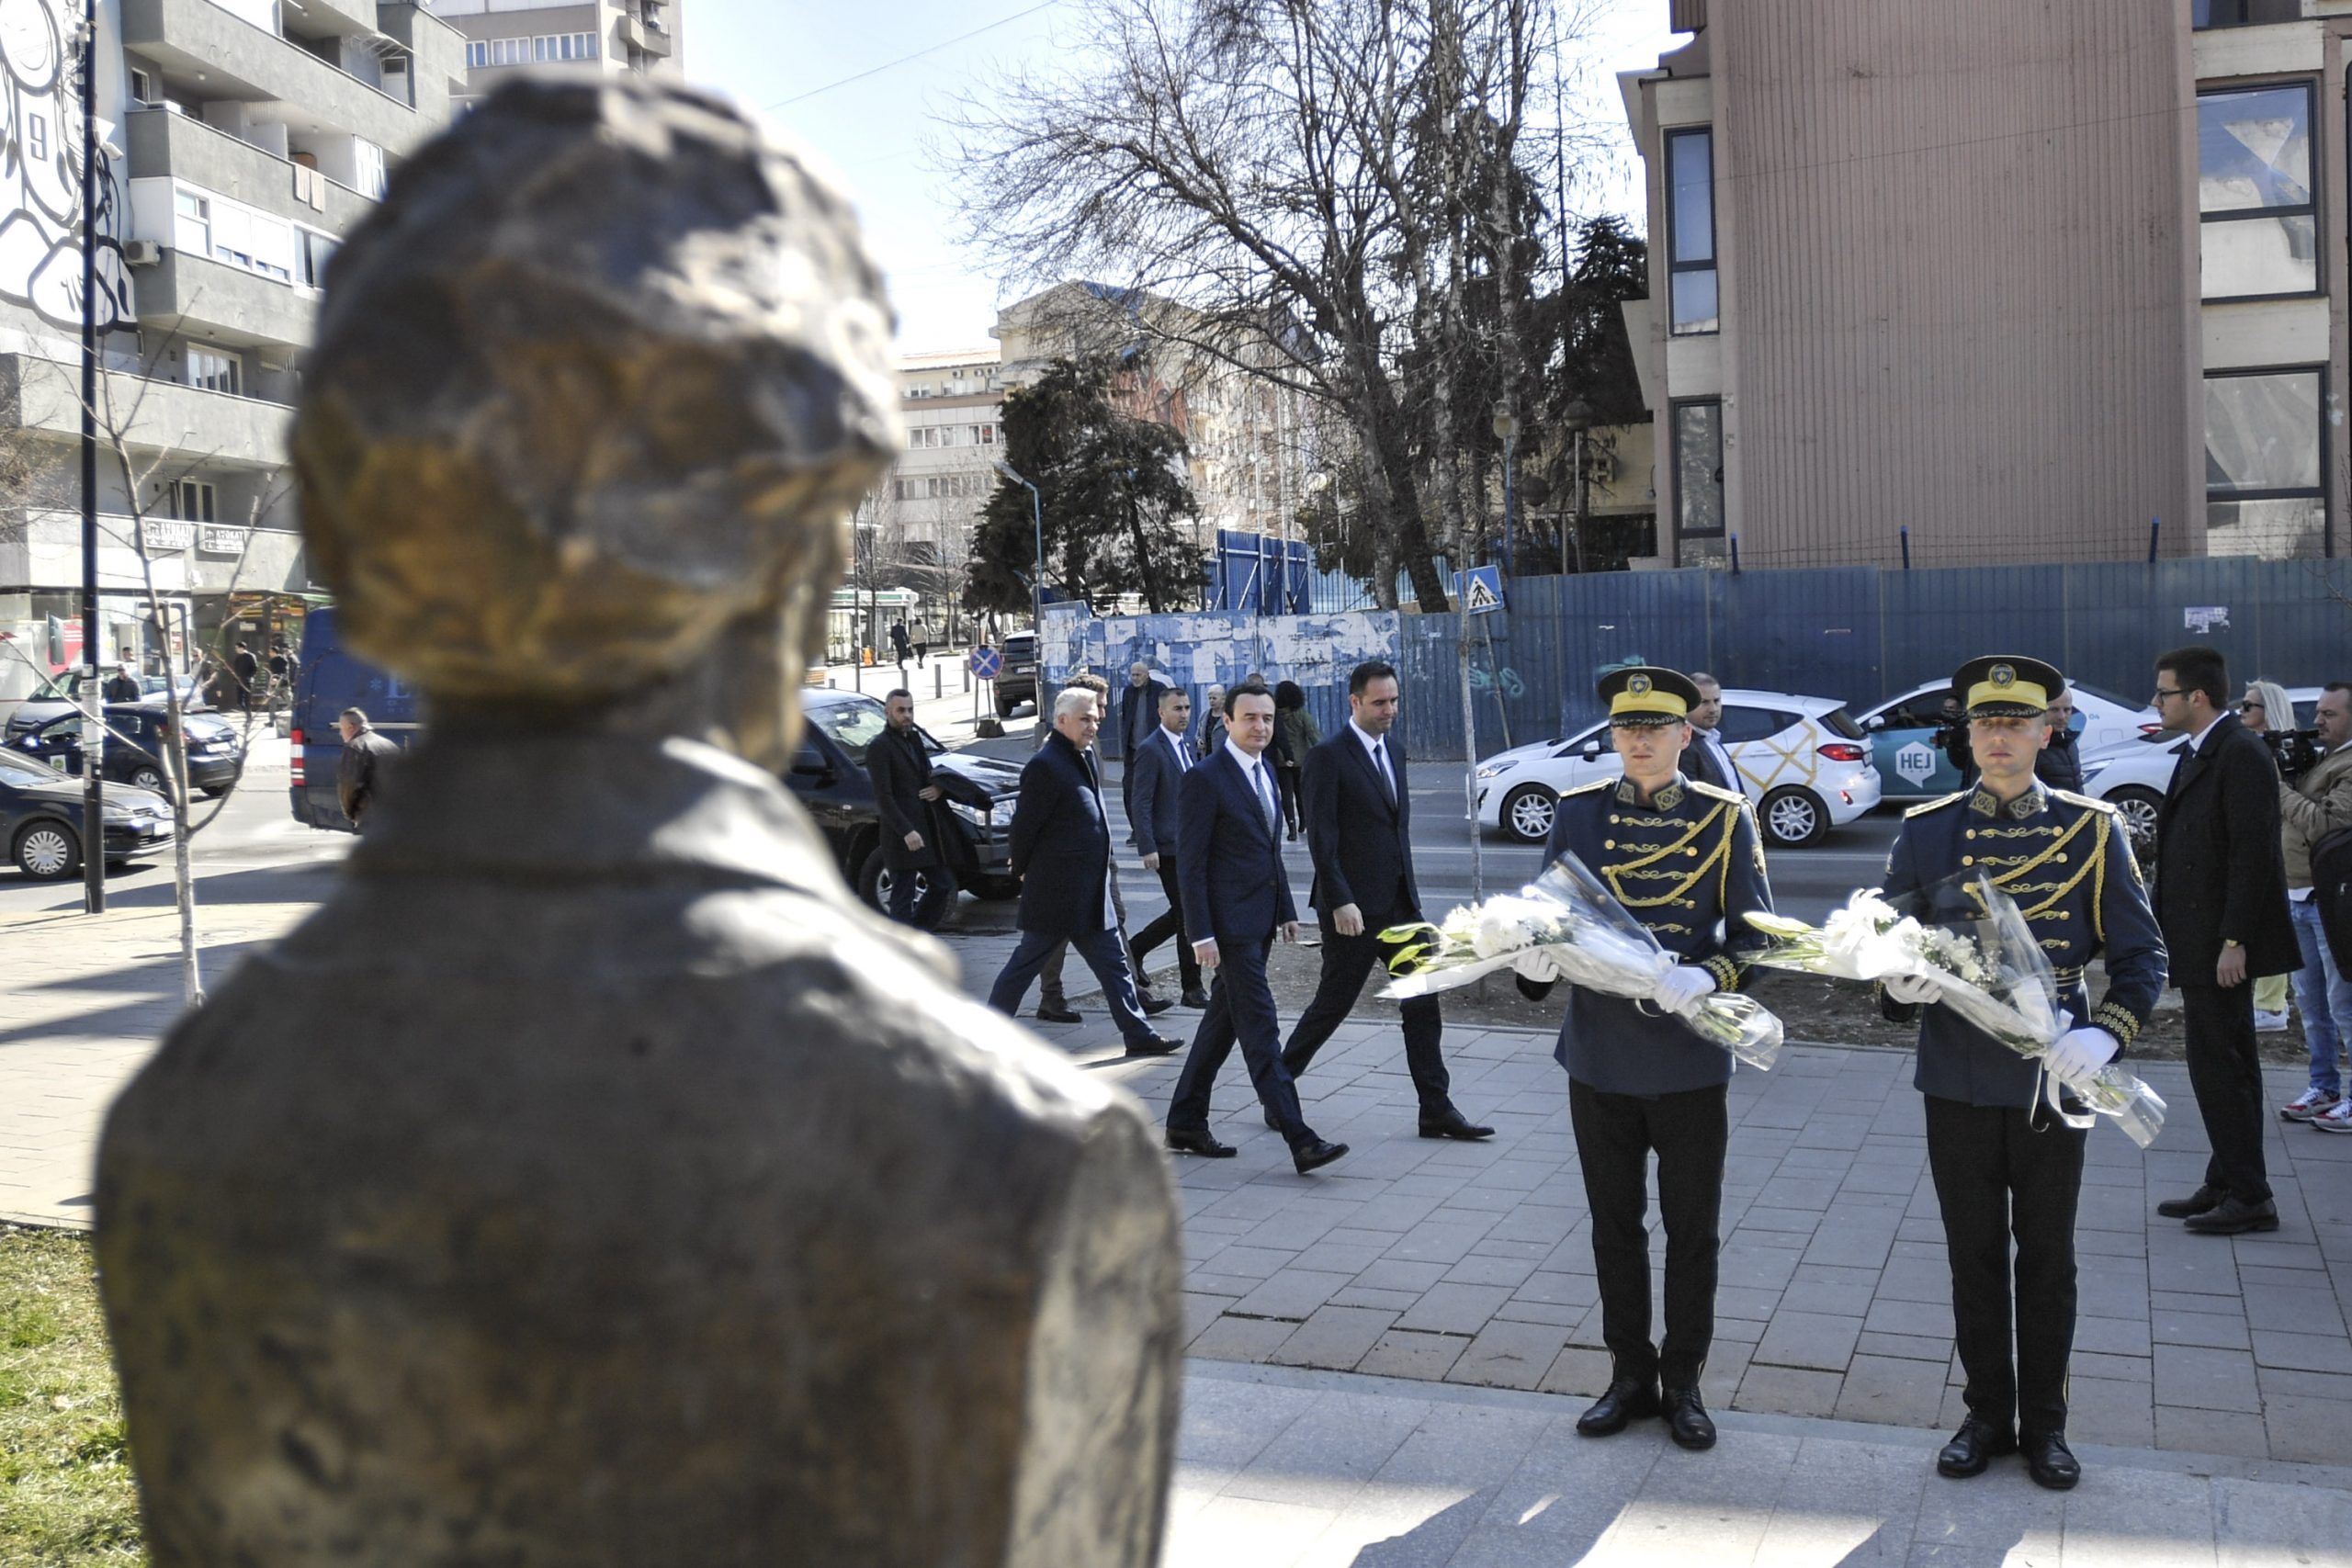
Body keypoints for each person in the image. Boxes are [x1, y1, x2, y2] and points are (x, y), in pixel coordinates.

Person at [1878, 656, 2165, 1494]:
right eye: (1984, 723)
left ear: (2049, 730)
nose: (1999, 737)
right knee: (1972, 1254)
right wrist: (1895, 984)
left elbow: (2143, 956)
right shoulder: (1927, 827)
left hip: (2053, 1076)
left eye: (2016, 722)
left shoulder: (2091, 825)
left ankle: (2046, 1424)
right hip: (1959, 1074)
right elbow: (1889, 938)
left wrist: (2108, 1036)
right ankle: (1983, 1414)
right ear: (1967, 735)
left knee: (2047, 1257)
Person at [1511, 666, 1770, 1453]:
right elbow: (1546, 915)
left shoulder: (1726, 817)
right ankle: (1629, 1373)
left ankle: (1684, 1380)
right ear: (1615, 737)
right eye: (1629, 728)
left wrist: (1711, 973)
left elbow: (1758, 935)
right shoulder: (1578, 814)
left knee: (1693, 1230)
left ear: (1685, 735)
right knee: (1613, 1226)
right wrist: (1532, 962)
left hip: (1689, 1059)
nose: (1642, 739)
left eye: (1658, 726)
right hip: (1600, 1057)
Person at [1281, 660, 1492, 1141]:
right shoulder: (1327, 757)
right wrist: (1340, 900)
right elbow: (1323, 839)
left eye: (1393, 700)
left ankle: (1436, 1109)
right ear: (1354, 702)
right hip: (1352, 909)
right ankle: (1278, 1088)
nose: (1389, 710)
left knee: (1422, 1004)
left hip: (1401, 902)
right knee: (1331, 1006)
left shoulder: (1394, 751)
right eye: (1379, 702)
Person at [1164, 682, 1348, 1176]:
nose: (1260, 727)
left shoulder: (1265, 769)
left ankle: (1184, 1120)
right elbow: (1191, 866)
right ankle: (1300, 1138)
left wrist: (1286, 909)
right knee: (1261, 1029)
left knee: (1221, 1026)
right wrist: (1199, 934)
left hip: (1260, 921)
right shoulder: (1205, 778)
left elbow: (1269, 851)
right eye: (1249, 718)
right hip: (1228, 932)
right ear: (1227, 721)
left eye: (1267, 719)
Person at [2151, 645, 2300, 1235]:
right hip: (2200, 938)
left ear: (2197, 697)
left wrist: (2235, 938)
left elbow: (2252, 854)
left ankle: (2249, 1194)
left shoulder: (2240, 752)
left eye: (2164, 692)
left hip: (2220, 944)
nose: (2156, 702)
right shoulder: (2204, 748)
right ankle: (2227, 1180)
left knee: (2220, 1066)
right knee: (2226, 1064)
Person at [986, 688, 1182, 1057]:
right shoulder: (1045, 765)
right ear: (1062, 721)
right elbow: (1023, 828)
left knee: (1116, 969)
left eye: (1095, 718)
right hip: (1058, 894)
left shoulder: (1083, 756)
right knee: (1022, 967)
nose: (1094, 725)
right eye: (1085, 719)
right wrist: (1022, 870)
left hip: (1092, 892)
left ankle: (1138, 1036)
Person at [1035, 671, 1169, 1022]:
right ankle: (1051, 997)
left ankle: (1134, 995)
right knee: (1055, 934)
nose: (1104, 716)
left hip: (1098, 854)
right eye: (1099, 707)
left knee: (1115, 921)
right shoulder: (1056, 749)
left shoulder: (1089, 743)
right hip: (1069, 860)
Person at [2277, 682, 2352, 1130]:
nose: (2318, 720)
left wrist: (2279, 788)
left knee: (2344, 1004)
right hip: (2298, 896)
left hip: (2332, 902)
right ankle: (2324, 1086)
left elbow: (2326, 824)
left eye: (2330, 714)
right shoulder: (2324, 758)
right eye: (2319, 712)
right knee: (2311, 1004)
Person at [1127, 685, 1209, 1009]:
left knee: (1181, 912)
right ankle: (1192, 988)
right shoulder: (1152, 748)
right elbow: (1141, 799)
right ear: (1161, 712)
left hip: (1191, 845)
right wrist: (1147, 845)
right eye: (1178, 709)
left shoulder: (1186, 745)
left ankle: (1135, 949)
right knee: (1188, 915)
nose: (1184, 714)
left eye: (1187, 708)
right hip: (1168, 847)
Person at [2237, 679, 2301, 1031]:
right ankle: (2267, 1002)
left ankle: (2272, 1005)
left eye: (2249, 706)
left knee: (2273, 922)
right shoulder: (2250, 746)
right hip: (2260, 842)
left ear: (2268, 711)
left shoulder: (2281, 753)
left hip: (2279, 847)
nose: (2241, 711)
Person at [866, 687, 950, 927]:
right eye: (901, 710)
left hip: (923, 828)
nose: (907, 716)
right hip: (900, 835)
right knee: (902, 896)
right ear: (887, 712)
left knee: (942, 885)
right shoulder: (879, 747)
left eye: (910, 710)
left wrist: (938, 789)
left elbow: (927, 774)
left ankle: (916, 933)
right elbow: (884, 797)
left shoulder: (914, 739)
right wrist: (906, 831)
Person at [1117, 660, 1172, 836]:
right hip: (1133, 750)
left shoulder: (1159, 690)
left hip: (1154, 749)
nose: (1135, 678)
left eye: (1138, 674)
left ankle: (1156, 828)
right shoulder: (1128, 692)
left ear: (1147, 674)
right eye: (1132, 674)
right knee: (1130, 789)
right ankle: (1137, 830)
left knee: (1157, 790)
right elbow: (1126, 718)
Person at [334, 706, 400, 829]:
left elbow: (348, 785)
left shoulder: (354, 747)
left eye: (341, 728)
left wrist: (350, 814)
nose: (340, 733)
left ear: (350, 727)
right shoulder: (389, 744)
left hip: (370, 816)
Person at [1271, 680, 1319, 840]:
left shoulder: (1274, 714)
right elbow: (1313, 734)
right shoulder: (1301, 714)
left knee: (1286, 794)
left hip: (1282, 760)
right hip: (1301, 760)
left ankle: (1291, 827)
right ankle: (1303, 822)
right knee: (1301, 793)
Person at [1684, 672, 1739, 795]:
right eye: (1704, 702)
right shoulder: (1684, 746)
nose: (1713, 709)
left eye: (1717, 701)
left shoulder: (1713, 738)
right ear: (1686, 704)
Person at [2033, 683, 2084, 794]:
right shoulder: (2033, 748)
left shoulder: (2070, 743)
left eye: (2067, 710)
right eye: (2054, 710)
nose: (2062, 717)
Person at [1196, 684, 1227, 759]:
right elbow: (1198, 734)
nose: (1211, 701)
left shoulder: (1229, 717)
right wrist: (1198, 741)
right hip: (1206, 758)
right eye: (1209, 698)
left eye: (1214, 698)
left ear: (1223, 699)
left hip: (1223, 759)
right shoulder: (1204, 716)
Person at [231, 641, 260, 711]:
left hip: (248, 681)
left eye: (237, 648)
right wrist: (235, 678)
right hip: (239, 681)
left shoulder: (250, 656)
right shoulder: (238, 657)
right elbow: (236, 669)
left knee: (247, 700)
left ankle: (248, 716)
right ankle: (246, 712)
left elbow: (254, 668)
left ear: (242, 648)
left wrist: (249, 677)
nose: (236, 649)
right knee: (239, 702)